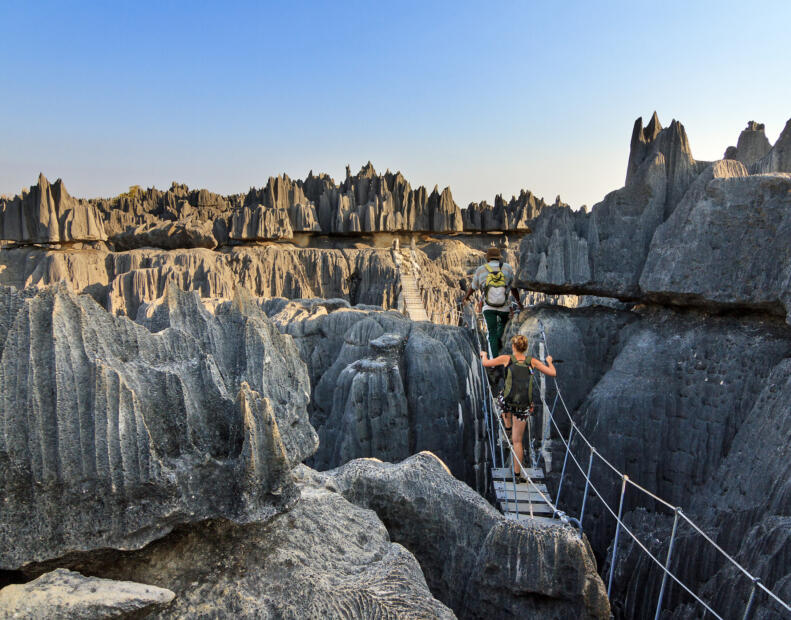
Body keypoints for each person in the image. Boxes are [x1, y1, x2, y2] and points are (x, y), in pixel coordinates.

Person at [480, 334, 556, 482]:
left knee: (501, 400)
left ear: (514, 347)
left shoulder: (506, 359)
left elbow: (486, 363)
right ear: (525, 348)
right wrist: (549, 361)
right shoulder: (532, 362)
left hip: (508, 402)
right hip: (523, 406)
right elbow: (553, 373)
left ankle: (507, 427)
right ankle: (517, 475)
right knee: (518, 442)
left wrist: (484, 355)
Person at [462, 247, 523, 357]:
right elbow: (513, 288)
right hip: (505, 307)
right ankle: (499, 344)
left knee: (492, 333)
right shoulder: (507, 268)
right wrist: (519, 302)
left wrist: (466, 297)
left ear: (488, 259)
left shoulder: (481, 269)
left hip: (488, 307)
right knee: (503, 328)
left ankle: (494, 362)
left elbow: (473, 287)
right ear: (499, 258)